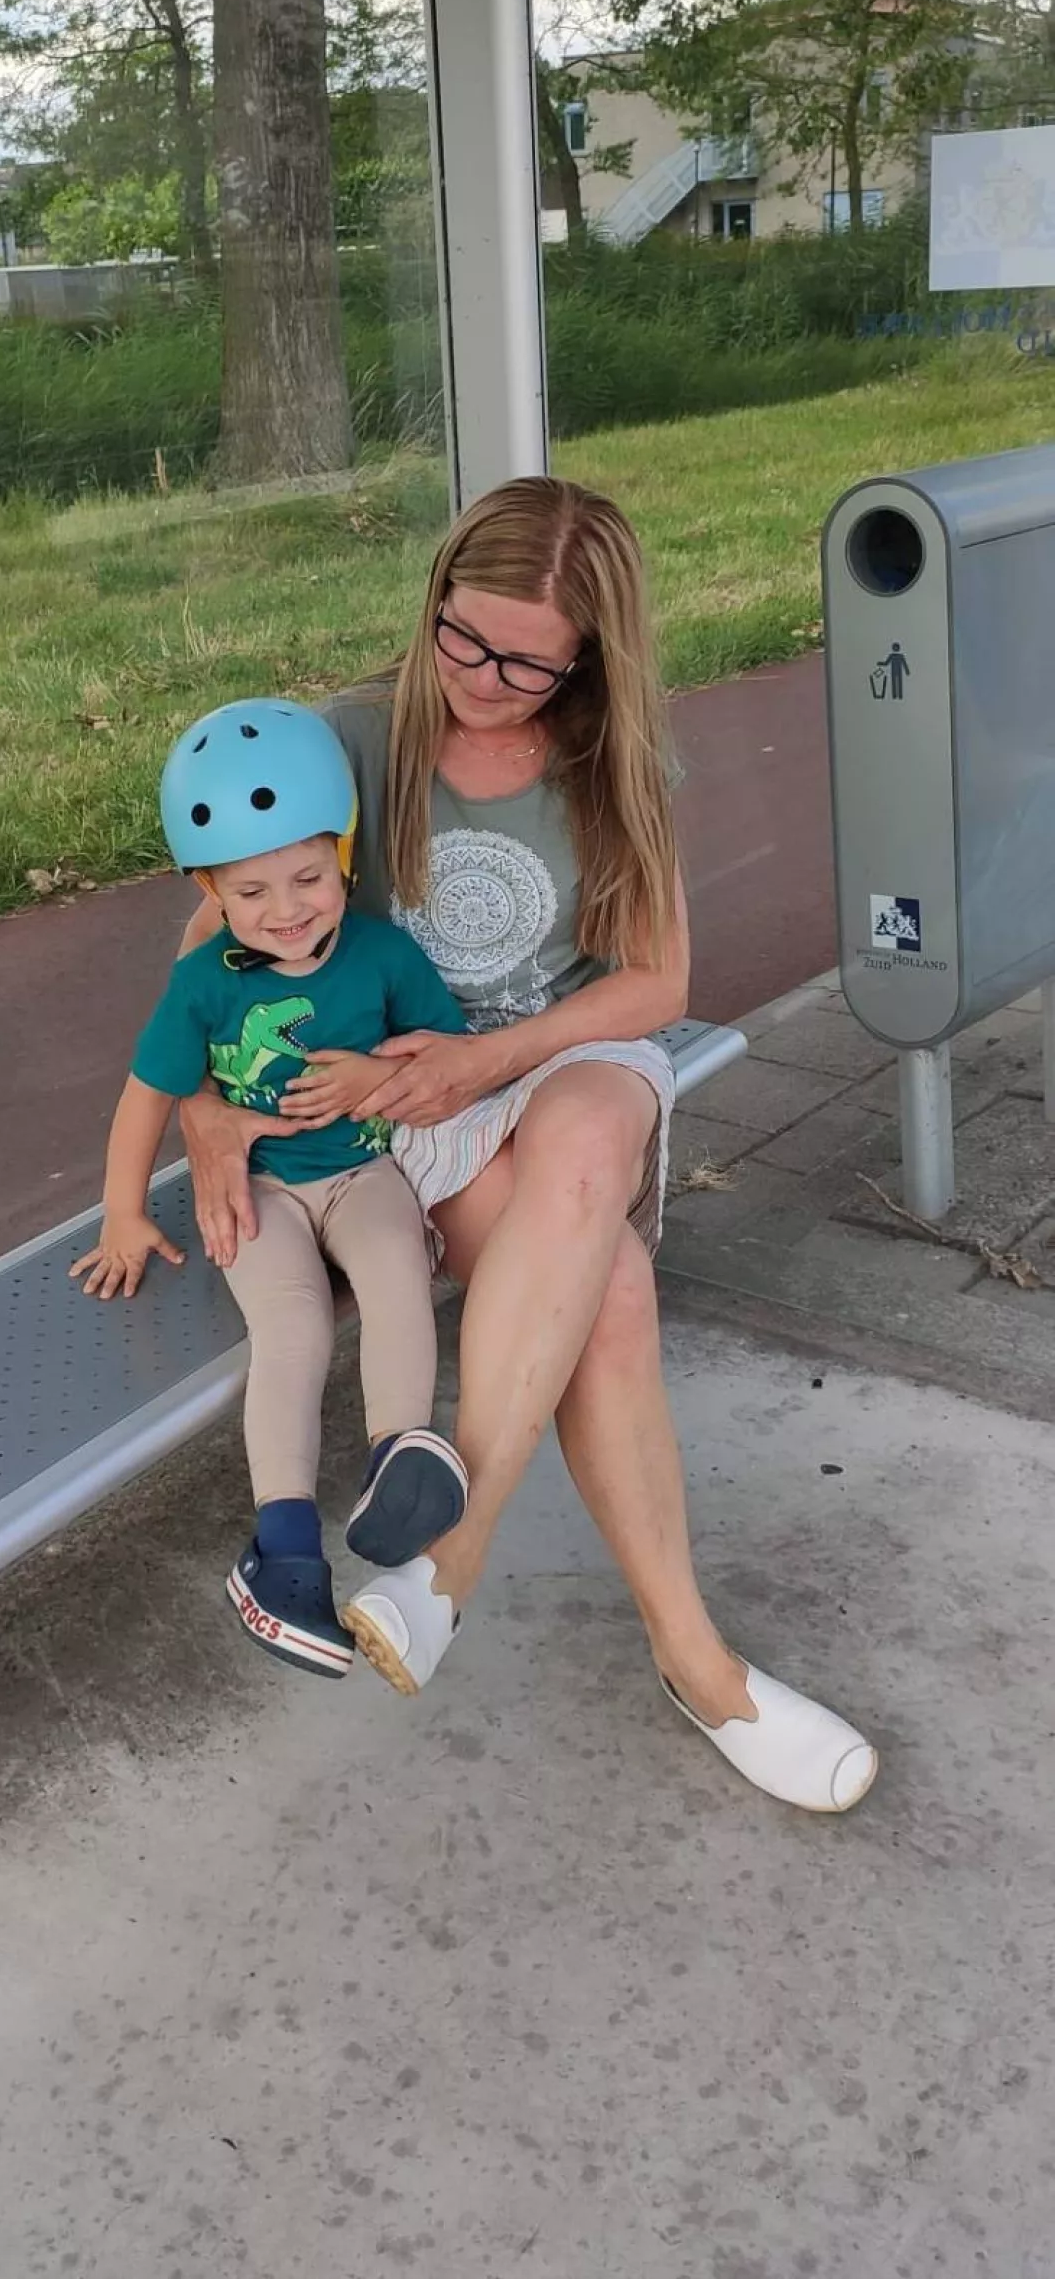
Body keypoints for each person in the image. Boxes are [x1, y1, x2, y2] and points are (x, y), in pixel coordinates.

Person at [176, 481, 878, 1814]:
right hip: (409, 1102)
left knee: (588, 1130)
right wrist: (206, 1112)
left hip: (564, 1058)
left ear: (588, 657)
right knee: (609, 1291)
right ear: (435, 596)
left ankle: (446, 1565)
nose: (480, 677)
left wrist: (494, 1056)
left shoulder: (610, 755)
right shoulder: (347, 740)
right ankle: (699, 1663)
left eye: (524, 661)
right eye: (460, 634)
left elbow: (657, 980)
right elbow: (213, 954)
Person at [70, 699, 471, 1681]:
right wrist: (122, 1212)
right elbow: (145, 1096)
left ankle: (397, 1458)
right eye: (251, 890)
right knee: (293, 1332)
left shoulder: (383, 952)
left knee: (396, 1276)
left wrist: (376, 1075)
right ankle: (283, 1555)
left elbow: (443, 1052)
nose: (287, 909)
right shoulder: (204, 982)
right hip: (258, 1191)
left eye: (308, 876)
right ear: (207, 888)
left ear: (343, 856)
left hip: (362, 1169)